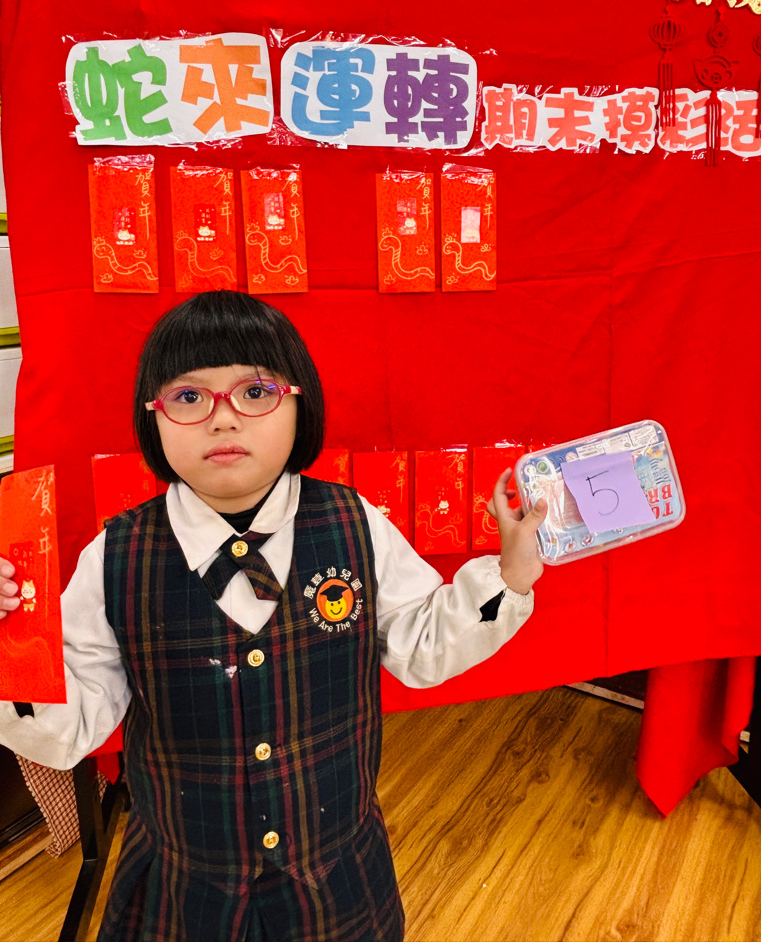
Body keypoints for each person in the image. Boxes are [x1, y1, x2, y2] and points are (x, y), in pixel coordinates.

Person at [0, 291, 548, 942]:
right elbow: (72, 726)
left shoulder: (354, 525)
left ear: (298, 405)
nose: (222, 419)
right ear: (154, 417)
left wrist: (510, 575)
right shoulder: (114, 558)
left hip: (337, 882)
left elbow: (422, 645)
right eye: (188, 396)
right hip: (181, 889)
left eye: (255, 392)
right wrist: (10, 651)